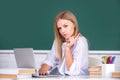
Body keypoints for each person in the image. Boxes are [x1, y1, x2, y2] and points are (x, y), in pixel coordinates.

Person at [39, 10, 88, 76]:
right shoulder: (59, 41)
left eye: (65, 26)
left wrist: (67, 48)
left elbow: (72, 72)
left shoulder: (81, 42)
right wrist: (43, 69)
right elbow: (50, 59)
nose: (63, 31)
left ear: (74, 24)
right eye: (59, 28)